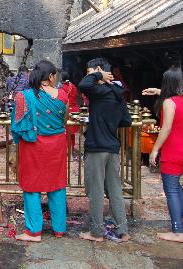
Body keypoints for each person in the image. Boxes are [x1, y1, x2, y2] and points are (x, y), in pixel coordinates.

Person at [11, 60, 68, 242]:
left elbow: (17, 124)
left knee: (31, 186)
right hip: (57, 144)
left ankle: (34, 231)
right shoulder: (63, 95)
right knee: (57, 185)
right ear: (50, 77)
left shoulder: (24, 96)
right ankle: (59, 229)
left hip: (32, 146)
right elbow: (64, 120)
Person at [78, 58, 132, 242]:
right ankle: (123, 230)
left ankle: (96, 232)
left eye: (90, 71)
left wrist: (98, 75)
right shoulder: (118, 93)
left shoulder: (98, 91)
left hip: (97, 148)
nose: (88, 75)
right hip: (112, 147)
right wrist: (109, 121)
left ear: (99, 70)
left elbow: (83, 84)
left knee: (96, 190)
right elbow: (127, 121)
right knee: (115, 189)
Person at [144, 67, 183, 243]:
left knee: (172, 189)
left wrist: (155, 149)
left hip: (173, 150)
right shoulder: (175, 100)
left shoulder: (169, 103)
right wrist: (158, 92)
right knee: (178, 188)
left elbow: (166, 128)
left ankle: (177, 231)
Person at [60, 70, 80, 157]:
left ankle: (66, 151)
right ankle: (72, 149)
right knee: (71, 133)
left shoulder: (62, 88)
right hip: (75, 110)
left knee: (66, 133)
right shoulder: (73, 86)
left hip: (67, 110)